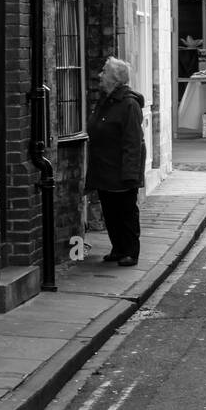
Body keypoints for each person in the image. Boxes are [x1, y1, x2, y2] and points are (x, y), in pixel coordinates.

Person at [85, 57, 147, 267]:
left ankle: (130, 251)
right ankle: (118, 248)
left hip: (121, 171)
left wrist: (130, 175)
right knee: (110, 212)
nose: (99, 75)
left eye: (104, 72)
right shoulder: (105, 101)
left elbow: (133, 143)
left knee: (126, 213)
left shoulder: (128, 104)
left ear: (114, 79)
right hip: (104, 169)